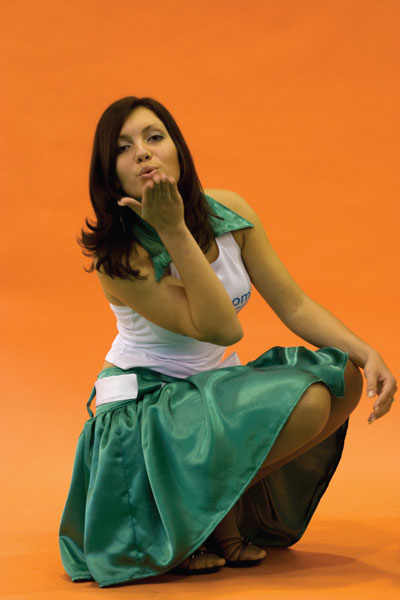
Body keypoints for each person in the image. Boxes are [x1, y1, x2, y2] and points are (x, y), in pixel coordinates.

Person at [59, 96, 397, 588]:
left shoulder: (230, 212)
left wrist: (369, 353)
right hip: (147, 410)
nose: (143, 153)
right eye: (123, 148)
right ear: (111, 177)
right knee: (308, 402)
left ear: (178, 150)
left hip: (210, 392)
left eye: (154, 138)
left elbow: (294, 304)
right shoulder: (121, 256)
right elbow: (223, 329)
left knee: (342, 376)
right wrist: (173, 230)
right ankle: (199, 524)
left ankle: (208, 511)